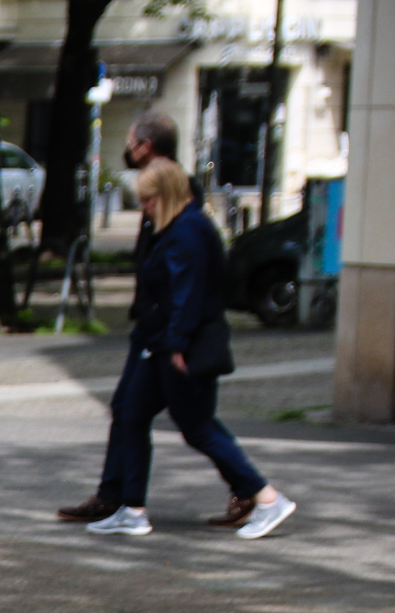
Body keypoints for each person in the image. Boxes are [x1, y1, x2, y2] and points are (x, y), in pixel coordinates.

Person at [72, 158, 292, 540]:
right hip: (165, 343)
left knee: (197, 427)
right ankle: (132, 509)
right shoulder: (179, 227)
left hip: (180, 346)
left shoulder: (186, 232)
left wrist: (176, 345)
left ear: (167, 195)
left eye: (148, 201)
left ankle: (268, 497)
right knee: (132, 414)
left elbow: (185, 297)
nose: (144, 208)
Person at [58, 112, 203, 525]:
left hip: (162, 328)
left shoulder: (176, 188)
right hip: (153, 324)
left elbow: (180, 263)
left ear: (145, 146)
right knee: (131, 410)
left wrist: (173, 332)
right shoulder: (161, 185)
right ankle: (116, 497)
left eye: (131, 141)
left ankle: (252, 491)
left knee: (193, 423)